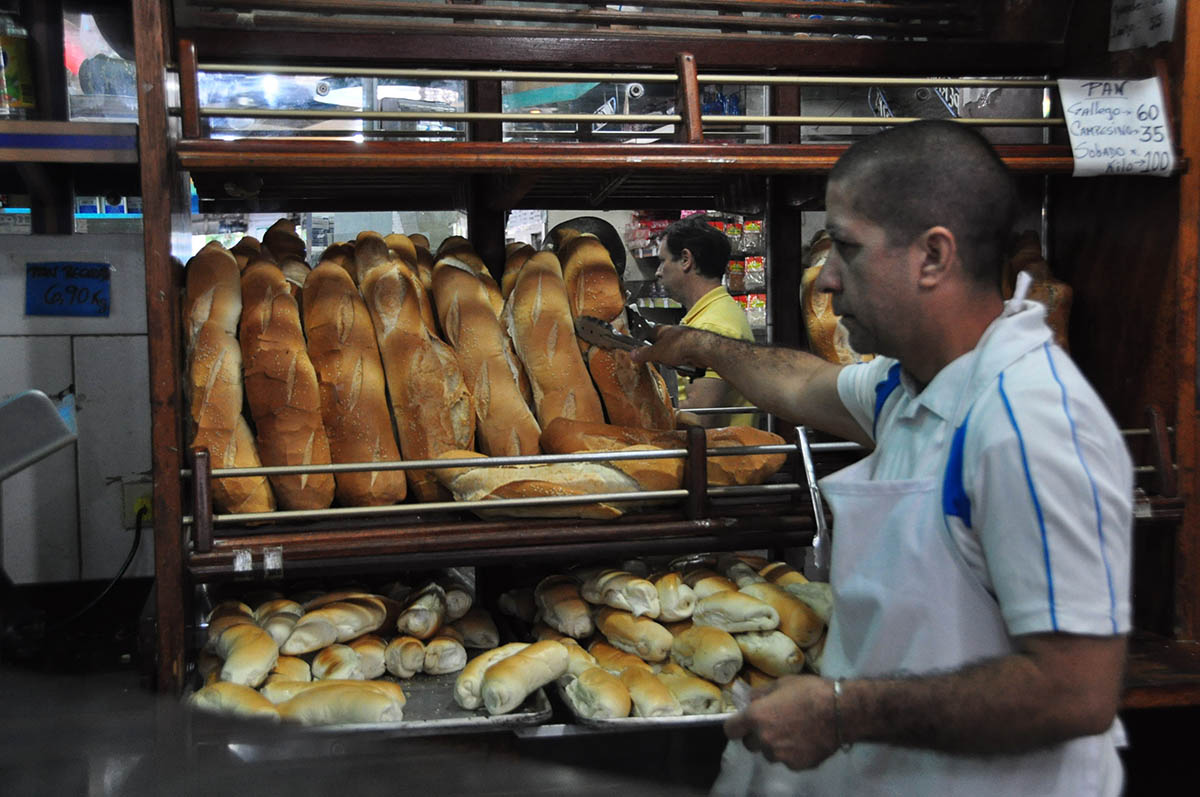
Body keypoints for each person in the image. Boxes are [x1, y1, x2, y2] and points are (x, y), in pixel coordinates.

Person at [632, 120, 1132, 795]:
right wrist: (702, 348)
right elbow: (805, 384)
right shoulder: (912, 382)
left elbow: (1077, 689)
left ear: (933, 256)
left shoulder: (1028, 420)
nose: (829, 278)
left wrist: (843, 710)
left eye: (846, 247)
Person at [655, 214, 755, 427]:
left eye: (663, 261)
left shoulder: (713, 327)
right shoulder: (711, 313)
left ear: (685, 259)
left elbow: (699, 417)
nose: (658, 272)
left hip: (717, 458)